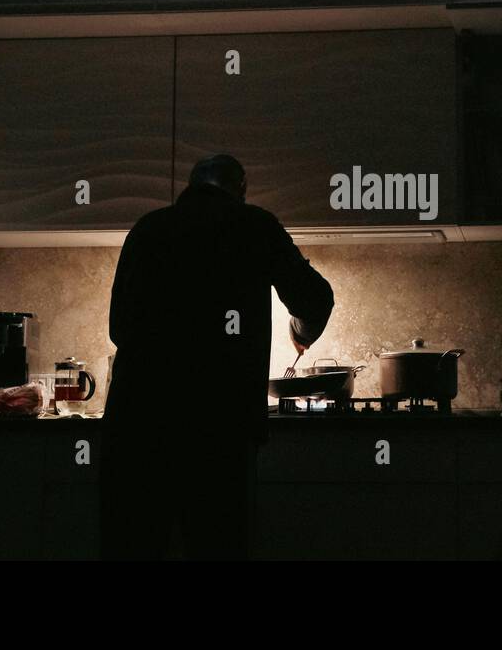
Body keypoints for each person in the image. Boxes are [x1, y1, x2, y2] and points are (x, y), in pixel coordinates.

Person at [100, 154, 334, 560]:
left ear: (188, 188)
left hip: (137, 427)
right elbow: (315, 300)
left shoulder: (147, 229)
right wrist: (301, 333)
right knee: (217, 546)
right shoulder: (255, 225)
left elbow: (119, 328)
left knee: (134, 547)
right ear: (241, 190)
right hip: (218, 430)